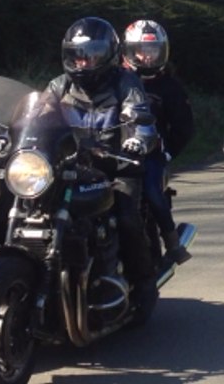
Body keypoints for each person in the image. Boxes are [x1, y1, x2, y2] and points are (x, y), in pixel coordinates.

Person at [50, 16, 160, 305]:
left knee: (126, 217)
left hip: (117, 168)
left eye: (91, 55)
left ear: (109, 54)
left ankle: (144, 283)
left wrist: (137, 139)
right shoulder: (59, 86)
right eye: (77, 55)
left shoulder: (126, 83)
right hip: (71, 169)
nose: (83, 62)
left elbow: (142, 118)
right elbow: (34, 115)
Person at [121, 19, 194, 266]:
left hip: (150, 154)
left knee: (152, 192)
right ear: (130, 50)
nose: (147, 56)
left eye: (153, 50)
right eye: (142, 50)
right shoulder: (115, 80)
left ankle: (172, 243)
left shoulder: (170, 87)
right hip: (112, 151)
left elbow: (185, 128)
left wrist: (167, 154)